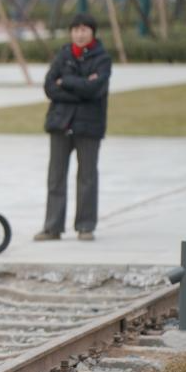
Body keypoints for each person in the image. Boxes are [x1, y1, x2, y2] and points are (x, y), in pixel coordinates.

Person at [36, 13, 112, 242]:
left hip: (89, 126)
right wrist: (82, 86)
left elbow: (95, 89)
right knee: (55, 177)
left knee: (87, 177)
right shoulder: (63, 55)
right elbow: (50, 86)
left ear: (92, 32)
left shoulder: (103, 59)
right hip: (60, 123)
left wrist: (66, 82)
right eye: (76, 29)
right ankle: (52, 227)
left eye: (84, 29)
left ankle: (85, 226)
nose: (79, 34)